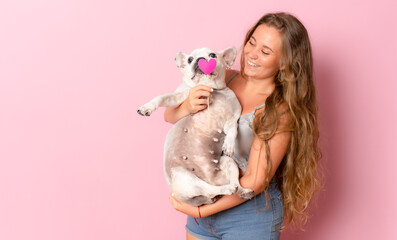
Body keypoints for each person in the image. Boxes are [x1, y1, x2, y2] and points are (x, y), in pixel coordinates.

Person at [164, 12, 322, 240]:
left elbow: (255, 181)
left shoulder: (279, 110)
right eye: (252, 42)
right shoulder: (223, 78)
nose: (252, 54)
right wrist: (187, 106)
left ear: (285, 63)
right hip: (204, 205)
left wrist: (200, 211)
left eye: (265, 52)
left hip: (249, 217)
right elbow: (170, 116)